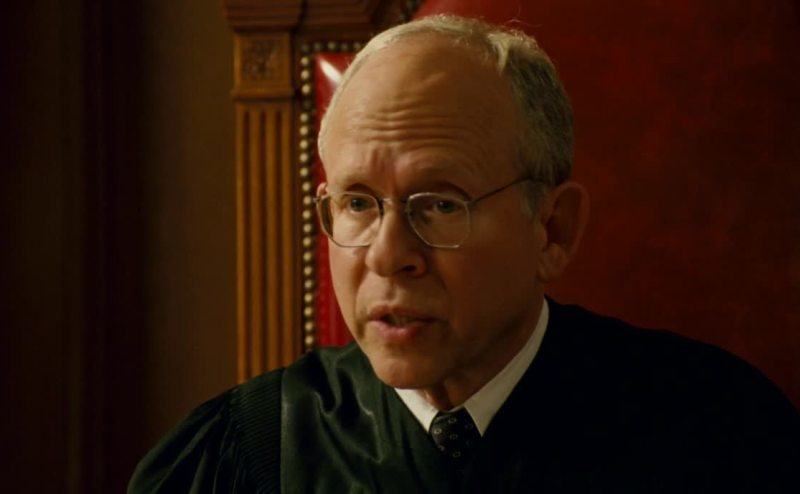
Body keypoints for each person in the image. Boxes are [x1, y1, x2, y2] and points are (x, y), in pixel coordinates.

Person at [129, 14, 800, 493]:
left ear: (552, 230)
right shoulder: (244, 457)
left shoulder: (717, 435)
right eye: (358, 203)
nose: (389, 256)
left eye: (440, 204)